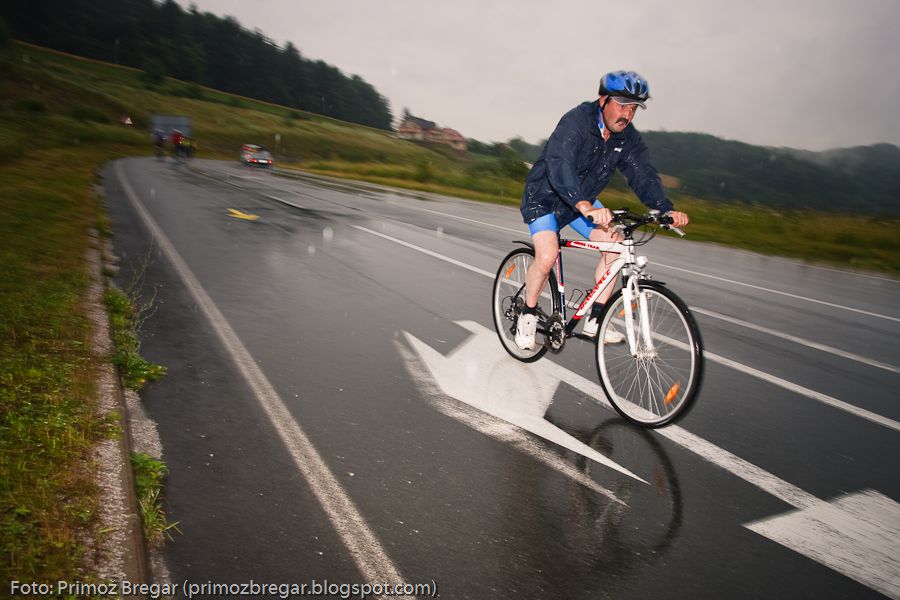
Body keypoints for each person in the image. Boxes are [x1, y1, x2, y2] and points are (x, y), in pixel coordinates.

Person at [515, 70, 690, 351]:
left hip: (580, 203)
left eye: (633, 108)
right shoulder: (576, 122)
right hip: (545, 197)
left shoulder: (626, 138)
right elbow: (559, 163)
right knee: (547, 255)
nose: (627, 114)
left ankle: (595, 320)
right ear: (603, 100)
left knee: (615, 245)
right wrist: (584, 204)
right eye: (621, 105)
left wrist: (663, 208)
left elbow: (642, 173)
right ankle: (527, 313)